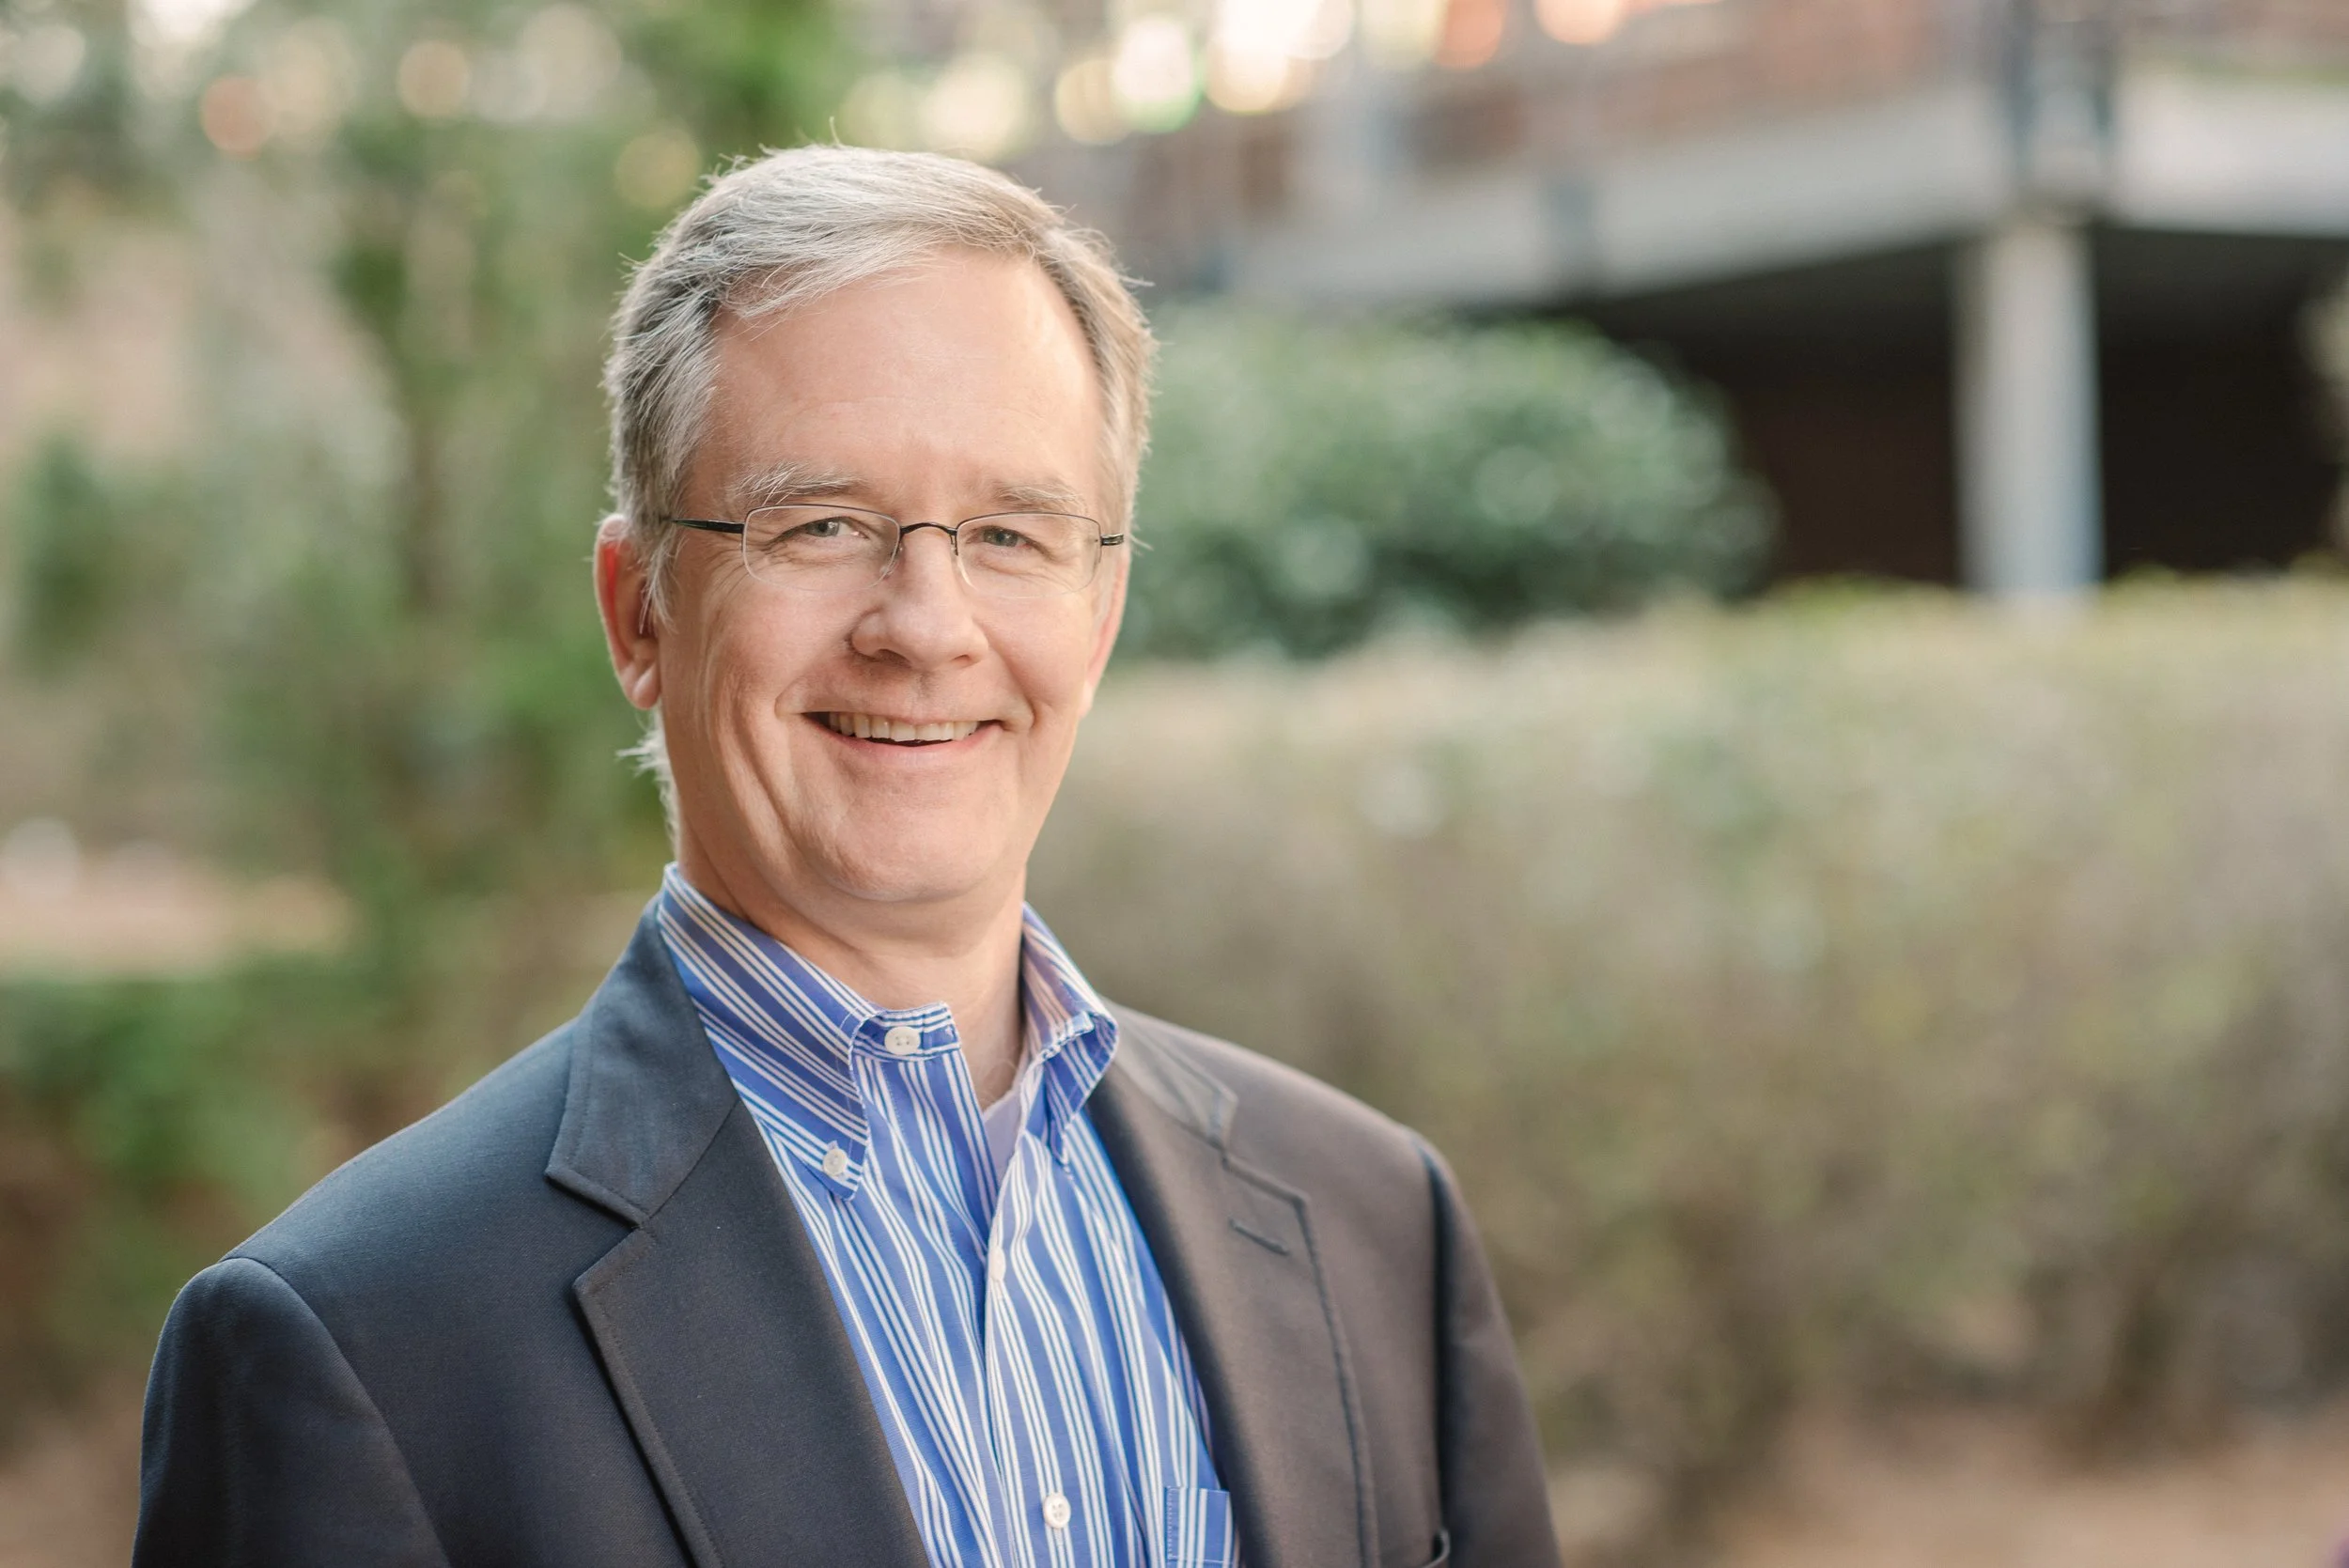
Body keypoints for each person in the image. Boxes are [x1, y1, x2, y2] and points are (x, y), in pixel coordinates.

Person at [132, 146, 1557, 1568]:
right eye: (820, 524)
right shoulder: (360, 1341)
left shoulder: (1375, 1227)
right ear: (640, 613)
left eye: (1011, 532)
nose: (926, 626)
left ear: (1102, 609)